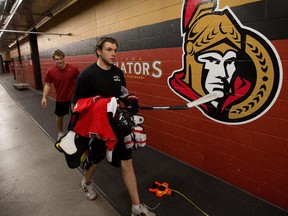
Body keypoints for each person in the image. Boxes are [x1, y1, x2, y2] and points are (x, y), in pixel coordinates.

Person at [72, 37, 155, 216]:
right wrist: (97, 109)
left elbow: (122, 94)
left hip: (117, 126)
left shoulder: (117, 72)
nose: (113, 54)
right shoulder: (86, 75)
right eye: (109, 50)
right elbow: (76, 105)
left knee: (127, 162)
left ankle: (136, 208)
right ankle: (86, 183)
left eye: (115, 50)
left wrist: (129, 99)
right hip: (98, 130)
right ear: (98, 51)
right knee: (95, 160)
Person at [41, 49, 80, 140]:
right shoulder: (51, 71)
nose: (59, 61)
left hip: (73, 98)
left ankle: (75, 132)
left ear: (64, 58)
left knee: (75, 116)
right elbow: (47, 84)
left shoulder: (73, 69)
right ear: (54, 60)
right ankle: (61, 132)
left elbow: (79, 82)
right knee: (59, 117)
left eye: (61, 58)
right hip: (61, 98)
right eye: (57, 59)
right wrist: (44, 97)